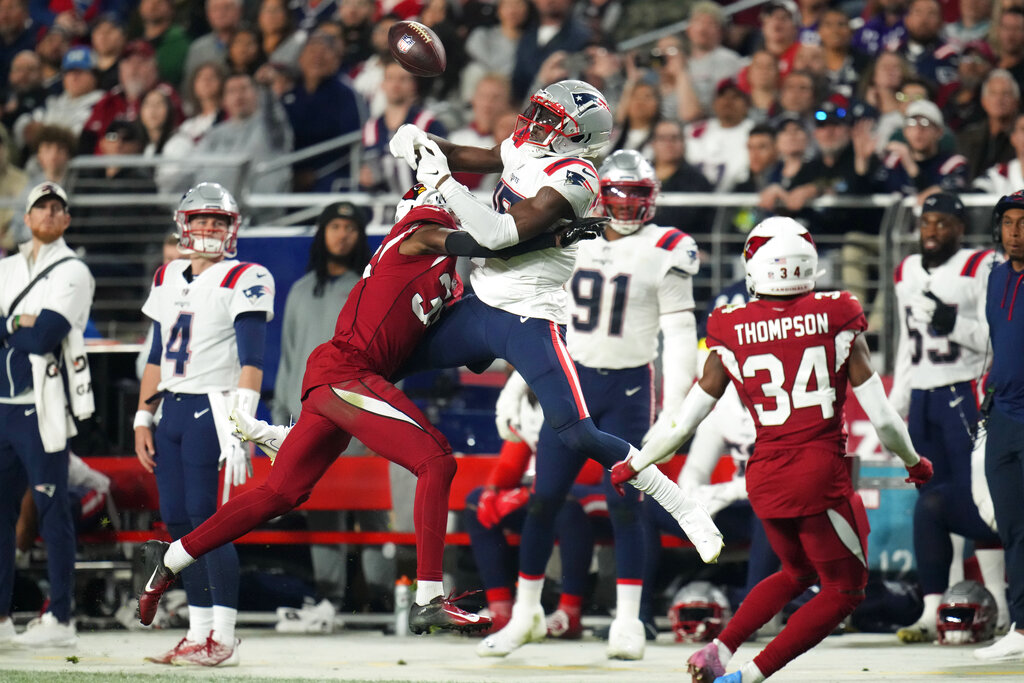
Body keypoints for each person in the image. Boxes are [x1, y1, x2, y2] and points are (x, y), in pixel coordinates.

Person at [133, 183, 606, 639]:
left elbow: (468, 331)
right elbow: (488, 238)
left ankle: (170, 558)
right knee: (437, 461)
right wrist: (554, 234)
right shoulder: (419, 233)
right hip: (347, 372)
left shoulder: (445, 269)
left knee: (281, 491)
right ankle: (427, 599)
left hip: (341, 375)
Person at [386, 79, 723, 659]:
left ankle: (683, 506)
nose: (531, 124)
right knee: (382, 360)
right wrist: (425, 142)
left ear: (578, 138)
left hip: (528, 322)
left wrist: (440, 179)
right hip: (480, 308)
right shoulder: (530, 148)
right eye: (536, 113)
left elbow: (493, 234)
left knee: (579, 434)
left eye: (548, 119)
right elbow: (486, 156)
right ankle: (298, 435)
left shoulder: (576, 178)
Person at [612, 217, 933, 683]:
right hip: (818, 473)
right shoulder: (837, 312)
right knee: (845, 591)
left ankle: (718, 650)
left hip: (763, 475)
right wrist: (914, 462)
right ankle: (749, 675)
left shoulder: (730, 323)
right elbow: (883, 419)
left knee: (797, 572)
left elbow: (686, 419)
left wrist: (635, 463)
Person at [531, 148, 701, 657]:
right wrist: (522, 386)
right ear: (601, 196)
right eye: (619, 194)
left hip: (629, 386)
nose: (626, 205)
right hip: (572, 379)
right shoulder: (570, 236)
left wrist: (674, 407)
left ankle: (628, 621)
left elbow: (679, 332)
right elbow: (539, 315)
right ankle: (524, 611)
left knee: (627, 504)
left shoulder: (669, 246)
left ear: (652, 198)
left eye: (637, 194)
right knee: (545, 497)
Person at [133, 182, 275, 667]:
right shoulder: (168, 274)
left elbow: (254, 360)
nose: (209, 228)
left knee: (208, 526)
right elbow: (156, 353)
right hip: (170, 407)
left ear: (232, 228)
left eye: (218, 220)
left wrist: (246, 423)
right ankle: (198, 632)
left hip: (212, 411)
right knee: (176, 525)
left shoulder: (247, 276)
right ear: (184, 224)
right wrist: (141, 415)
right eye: (201, 219)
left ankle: (226, 637)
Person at [888, 192, 1007, 642]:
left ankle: (996, 600)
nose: (933, 231)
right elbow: (904, 340)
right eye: (927, 222)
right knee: (932, 503)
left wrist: (951, 322)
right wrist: (898, 398)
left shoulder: (983, 266)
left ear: (961, 226)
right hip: (922, 397)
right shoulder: (906, 271)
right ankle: (937, 605)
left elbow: (1001, 337)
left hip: (964, 389)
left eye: (942, 223)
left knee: (979, 499)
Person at [0, 181, 95, 647]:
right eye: (42, 206)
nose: (50, 213)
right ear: (28, 215)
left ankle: (61, 617)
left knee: (52, 510)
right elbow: (32, 331)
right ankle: (1, 619)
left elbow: (45, 337)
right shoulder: (9, 266)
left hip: (42, 407)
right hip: (2, 405)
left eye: (58, 208)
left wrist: (8, 325)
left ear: (66, 219)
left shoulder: (73, 269)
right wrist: (23, 322)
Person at [974, 190, 1024, 661]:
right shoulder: (994, 278)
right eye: (1008, 222)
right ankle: (1022, 628)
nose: (1015, 231)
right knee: (1012, 526)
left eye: (1023, 222)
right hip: (1004, 416)